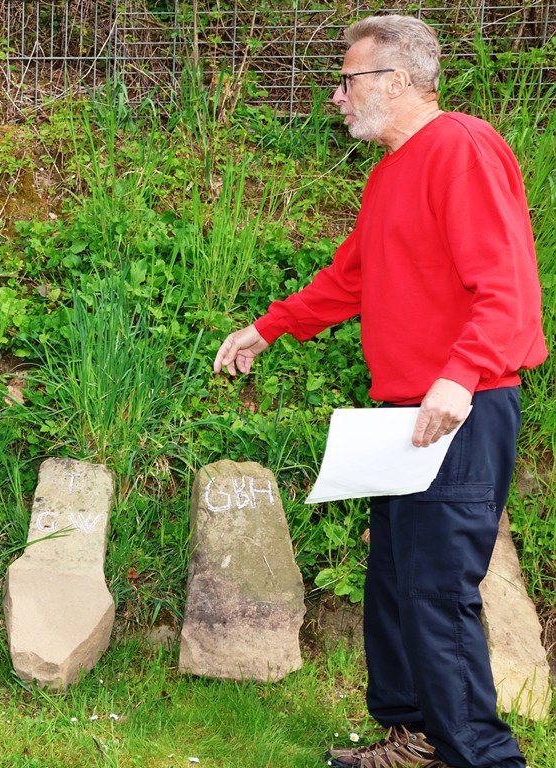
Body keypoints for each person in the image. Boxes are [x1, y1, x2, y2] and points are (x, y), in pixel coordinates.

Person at [213, 14, 545, 768]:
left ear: (396, 81)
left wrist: (460, 374)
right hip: (405, 414)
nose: (336, 96)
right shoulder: (392, 170)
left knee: (439, 592)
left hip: (460, 407)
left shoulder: (460, 147)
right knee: (395, 583)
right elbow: (352, 278)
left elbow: (506, 283)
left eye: (347, 79)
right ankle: (414, 737)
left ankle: (483, 758)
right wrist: (269, 328)